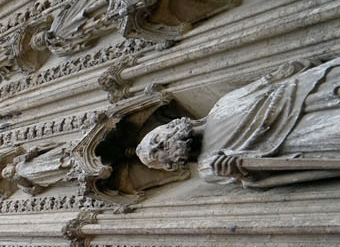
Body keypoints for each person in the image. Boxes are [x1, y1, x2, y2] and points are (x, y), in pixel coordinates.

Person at [137, 58, 340, 187]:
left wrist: (287, 73)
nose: (159, 144)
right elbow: (263, 178)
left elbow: (268, 84)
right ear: (169, 165)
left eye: (156, 138)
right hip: (297, 138)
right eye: (155, 153)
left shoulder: (220, 105)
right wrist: (244, 173)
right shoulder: (209, 169)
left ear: (170, 125)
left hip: (307, 92)